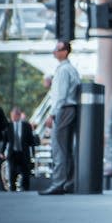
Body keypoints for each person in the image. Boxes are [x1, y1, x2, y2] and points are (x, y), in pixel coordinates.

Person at [40, 41, 81, 195]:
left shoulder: (63, 71)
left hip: (63, 110)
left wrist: (52, 114)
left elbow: (61, 96)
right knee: (67, 148)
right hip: (69, 110)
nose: (54, 52)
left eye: (57, 49)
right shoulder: (71, 70)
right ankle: (68, 183)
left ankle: (58, 183)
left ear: (65, 52)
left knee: (59, 148)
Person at [2, 106, 38, 191]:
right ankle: (12, 190)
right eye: (12, 115)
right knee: (12, 172)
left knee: (25, 173)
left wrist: (33, 152)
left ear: (18, 115)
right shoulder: (8, 126)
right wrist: (2, 152)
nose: (13, 117)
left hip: (24, 153)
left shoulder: (26, 126)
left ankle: (25, 189)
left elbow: (31, 140)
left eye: (15, 115)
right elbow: (5, 140)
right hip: (12, 153)